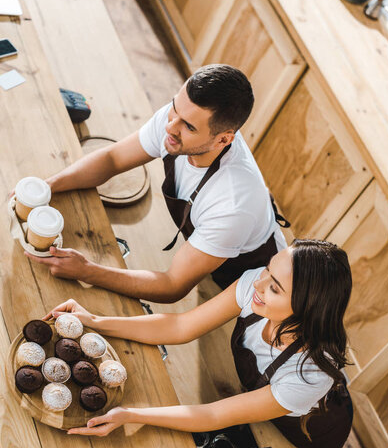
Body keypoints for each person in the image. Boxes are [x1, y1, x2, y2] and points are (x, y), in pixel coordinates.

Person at [45, 239, 353, 448]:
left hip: (309, 429)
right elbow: (180, 327)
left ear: (305, 307)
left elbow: (213, 416)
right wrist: (94, 319)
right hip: (262, 399)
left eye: (274, 287)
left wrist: (131, 415)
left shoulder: (309, 376)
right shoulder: (255, 286)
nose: (258, 285)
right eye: (268, 271)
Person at [25, 64, 288, 303]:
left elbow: (173, 285)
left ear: (223, 140)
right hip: (218, 232)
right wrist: (47, 187)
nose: (170, 127)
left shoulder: (232, 205)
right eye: (174, 107)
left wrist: (87, 271)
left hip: (249, 268)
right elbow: (113, 159)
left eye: (188, 127)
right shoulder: (181, 117)